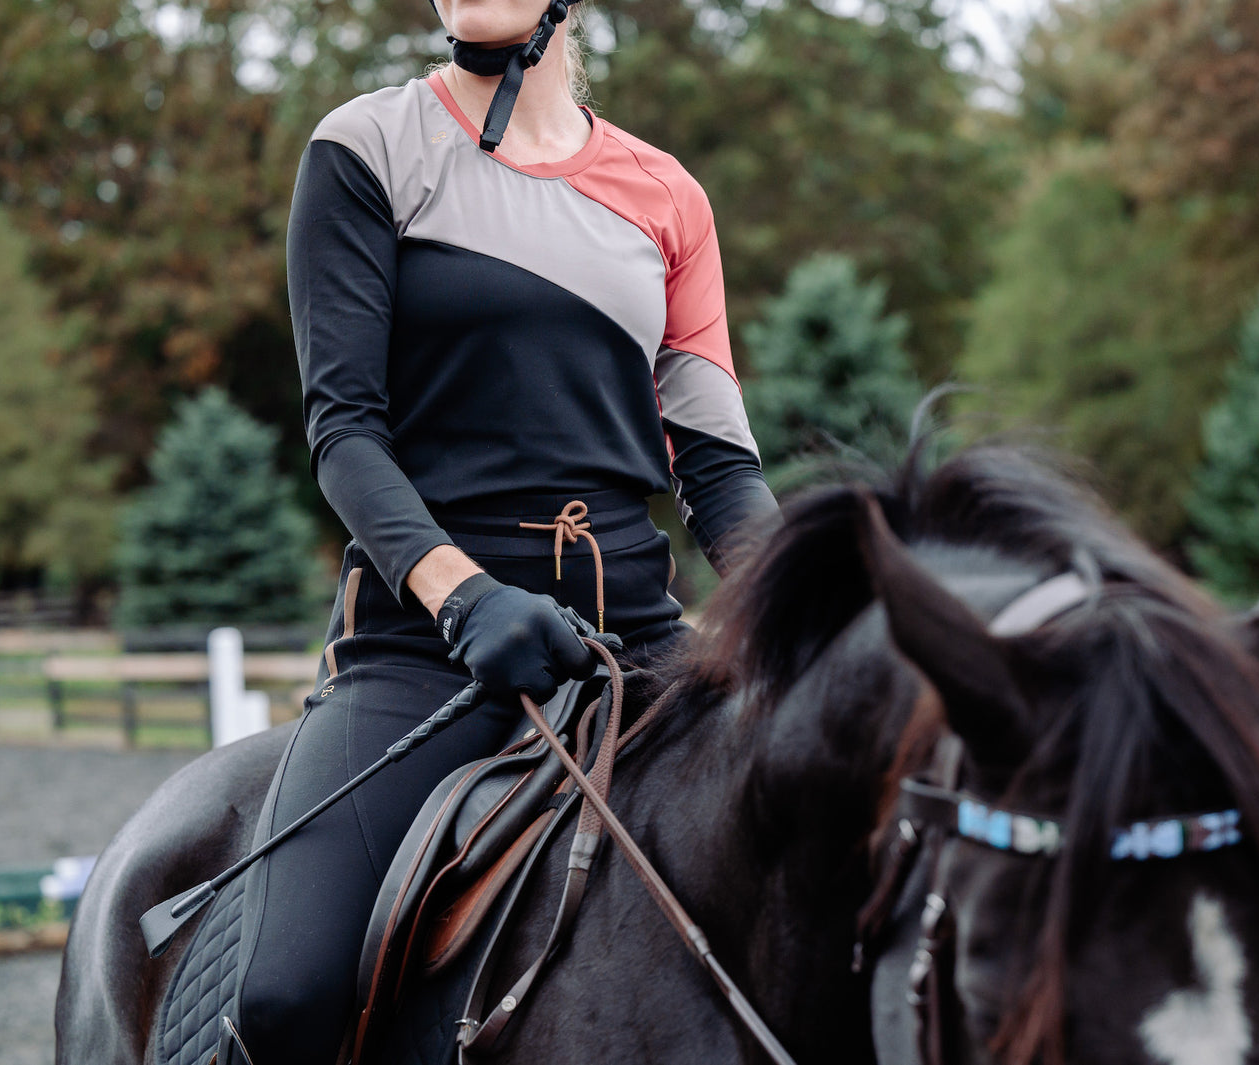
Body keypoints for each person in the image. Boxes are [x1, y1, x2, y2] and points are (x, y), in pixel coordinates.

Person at [221, 0, 777, 1060]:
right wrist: (463, 596)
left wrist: (806, 620)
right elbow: (343, 430)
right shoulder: (367, 147)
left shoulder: (667, 194)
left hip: (639, 645)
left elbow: (715, 462)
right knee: (285, 996)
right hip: (426, 648)